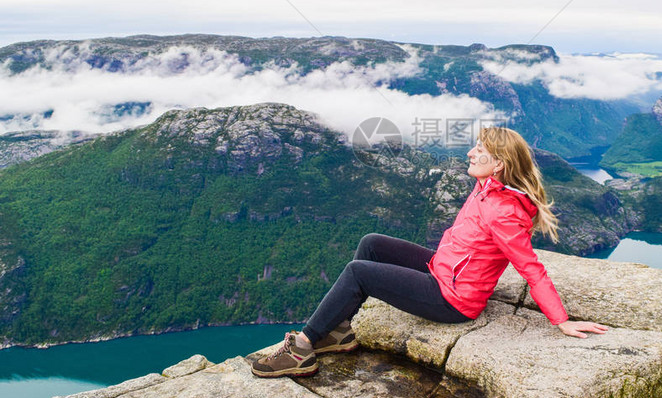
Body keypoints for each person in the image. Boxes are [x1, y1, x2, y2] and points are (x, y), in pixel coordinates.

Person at [251, 126, 608, 378]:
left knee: (358, 271)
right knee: (372, 243)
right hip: (441, 270)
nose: (470, 153)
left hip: (452, 300)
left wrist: (561, 321)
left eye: (479, 151)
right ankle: (339, 331)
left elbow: (531, 269)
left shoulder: (504, 212)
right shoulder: (487, 185)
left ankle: (302, 348)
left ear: (498, 164)